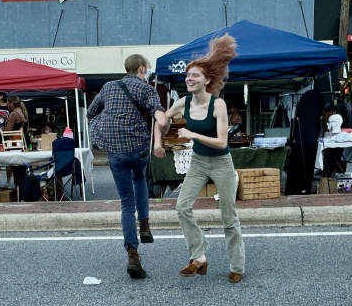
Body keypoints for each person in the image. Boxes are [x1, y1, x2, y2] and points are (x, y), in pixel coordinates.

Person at [155, 34, 245, 284]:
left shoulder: (218, 105)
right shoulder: (182, 102)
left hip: (221, 162)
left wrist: (193, 134)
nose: (189, 79)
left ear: (207, 80)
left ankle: (237, 265)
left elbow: (222, 142)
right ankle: (199, 255)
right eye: (187, 76)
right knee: (181, 206)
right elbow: (160, 117)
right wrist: (157, 138)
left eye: (194, 75)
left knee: (229, 216)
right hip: (198, 161)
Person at [87, 54, 167, 278]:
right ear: (141, 68)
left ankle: (133, 253)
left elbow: (91, 112)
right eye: (148, 68)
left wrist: (103, 129)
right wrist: (162, 122)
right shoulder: (147, 89)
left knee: (125, 202)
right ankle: (144, 224)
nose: (149, 71)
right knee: (140, 179)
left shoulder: (109, 86)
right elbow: (157, 113)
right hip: (139, 147)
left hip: (115, 150)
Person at [1, 95, 29, 190]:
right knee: (22, 165)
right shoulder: (22, 112)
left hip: (16, 140)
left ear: (11, 103)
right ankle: (22, 188)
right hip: (24, 138)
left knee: (15, 165)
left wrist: (1, 130)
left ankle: (19, 188)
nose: (7, 105)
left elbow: (8, 130)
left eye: (8, 103)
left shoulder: (13, 114)